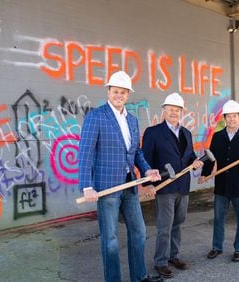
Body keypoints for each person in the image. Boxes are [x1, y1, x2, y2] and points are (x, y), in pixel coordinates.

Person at [78, 71, 163, 282]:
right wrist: (86, 186)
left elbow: (136, 153)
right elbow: (85, 152)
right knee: (110, 240)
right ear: (108, 92)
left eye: (123, 92)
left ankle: (139, 276)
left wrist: (146, 170)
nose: (119, 95)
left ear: (128, 95)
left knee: (139, 232)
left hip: (129, 185)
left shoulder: (132, 120)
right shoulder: (96, 116)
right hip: (107, 188)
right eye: (115, 91)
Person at [142, 93, 204, 279]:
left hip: (183, 186)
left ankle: (173, 256)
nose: (174, 112)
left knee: (178, 223)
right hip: (164, 187)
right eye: (170, 109)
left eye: (177, 110)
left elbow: (189, 155)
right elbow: (146, 160)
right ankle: (160, 262)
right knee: (164, 226)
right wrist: (147, 185)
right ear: (164, 110)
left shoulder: (185, 132)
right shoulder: (153, 132)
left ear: (181, 112)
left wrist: (195, 161)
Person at [198, 100, 239, 263]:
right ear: (224, 118)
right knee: (219, 218)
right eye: (229, 116)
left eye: (235, 116)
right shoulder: (218, 137)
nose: (232, 119)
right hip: (221, 186)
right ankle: (216, 247)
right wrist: (204, 174)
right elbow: (211, 159)